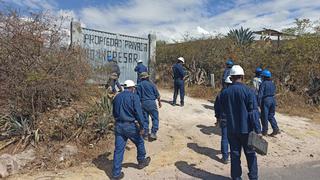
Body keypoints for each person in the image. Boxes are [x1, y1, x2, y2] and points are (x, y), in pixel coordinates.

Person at [220, 65, 262, 180]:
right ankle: (253, 177)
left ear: (231, 77)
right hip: (246, 130)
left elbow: (222, 111)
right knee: (251, 155)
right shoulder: (248, 91)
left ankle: (236, 177)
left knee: (234, 155)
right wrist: (258, 130)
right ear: (242, 77)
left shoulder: (225, 93)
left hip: (232, 130)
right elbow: (253, 112)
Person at [112, 80, 151, 179]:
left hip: (119, 125)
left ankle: (116, 174)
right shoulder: (134, 97)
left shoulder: (117, 97)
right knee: (140, 142)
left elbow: (114, 112)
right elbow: (139, 113)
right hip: (129, 126)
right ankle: (141, 161)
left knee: (119, 150)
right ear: (132, 88)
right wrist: (142, 127)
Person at [136, 72, 162, 141]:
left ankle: (146, 134)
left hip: (143, 104)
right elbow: (157, 94)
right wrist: (159, 102)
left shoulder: (139, 85)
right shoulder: (152, 84)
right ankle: (153, 133)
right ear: (147, 77)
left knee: (145, 119)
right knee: (155, 118)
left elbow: (137, 96)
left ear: (141, 78)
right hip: (152, 103)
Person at [214, 75, 232, 164]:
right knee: (234, 138)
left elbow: (216, 108)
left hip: (224, 118)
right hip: (234, 119)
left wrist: (217, 118)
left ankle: (225, 157)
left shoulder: (220, 94)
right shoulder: (235, 93)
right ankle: (233, 154)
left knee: (224, 138)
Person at [258, 69, 280, 136]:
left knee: (264, 116)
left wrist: (259, 103)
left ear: (264, 77)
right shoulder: (272, 83)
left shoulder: (263, 84)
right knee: (271, 115)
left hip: (266, 100)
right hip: (273, 99)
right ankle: (275, 128)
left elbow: (260, 94)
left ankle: (264, 131)